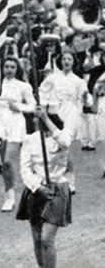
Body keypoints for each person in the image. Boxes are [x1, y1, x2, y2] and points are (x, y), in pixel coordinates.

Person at [16, 106, 72, 268]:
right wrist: (37, 186)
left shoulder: (63, 134)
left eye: (37, 118)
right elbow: (24, 168)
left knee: (47, 239)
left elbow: (65, 142)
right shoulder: (30, 139)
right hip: (36, 190)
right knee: (37, 237)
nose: (34, 121)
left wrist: (46, 118)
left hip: (57, 190)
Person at [0, 57, 36, 212]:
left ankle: (12, 196)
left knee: (9, 161)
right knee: (3, 163)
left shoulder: (23, 86)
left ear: (17, 69)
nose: (9, 69)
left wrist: (19, 107)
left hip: (15, 123)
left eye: (12, 67)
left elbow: (33, 106)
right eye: (6, 66)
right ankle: (8, 193)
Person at [39, 51, 87, 193]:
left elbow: (85, 99)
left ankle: (70, 181)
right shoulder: (52, 78)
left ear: (73, 62)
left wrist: (85, 98)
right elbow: (42, 92)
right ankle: (53, 178)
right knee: (53, 148)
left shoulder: (79, 81)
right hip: (54, 113)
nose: (66, 61)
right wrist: (43, 109)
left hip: (70, 114)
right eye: (64, 59)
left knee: (65, 147)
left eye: (69, 59)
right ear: (60, 61)